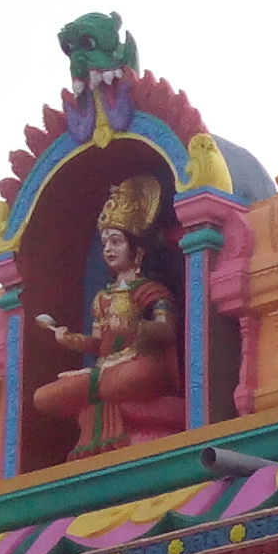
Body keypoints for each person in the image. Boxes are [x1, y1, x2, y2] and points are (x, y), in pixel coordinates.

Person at [31, 174, 181, 454]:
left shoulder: (149, 290)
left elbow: (167, 330)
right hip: (107, 372)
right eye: (105, 243)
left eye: (116, 241)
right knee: (43, 396)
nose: (109, 249)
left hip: (140, 365)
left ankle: (96, 388)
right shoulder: (103, 298)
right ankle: (96, 388)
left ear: (136, 249)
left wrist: (136, 329)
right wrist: (68, 339)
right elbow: (98, 344)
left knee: (120, 381)